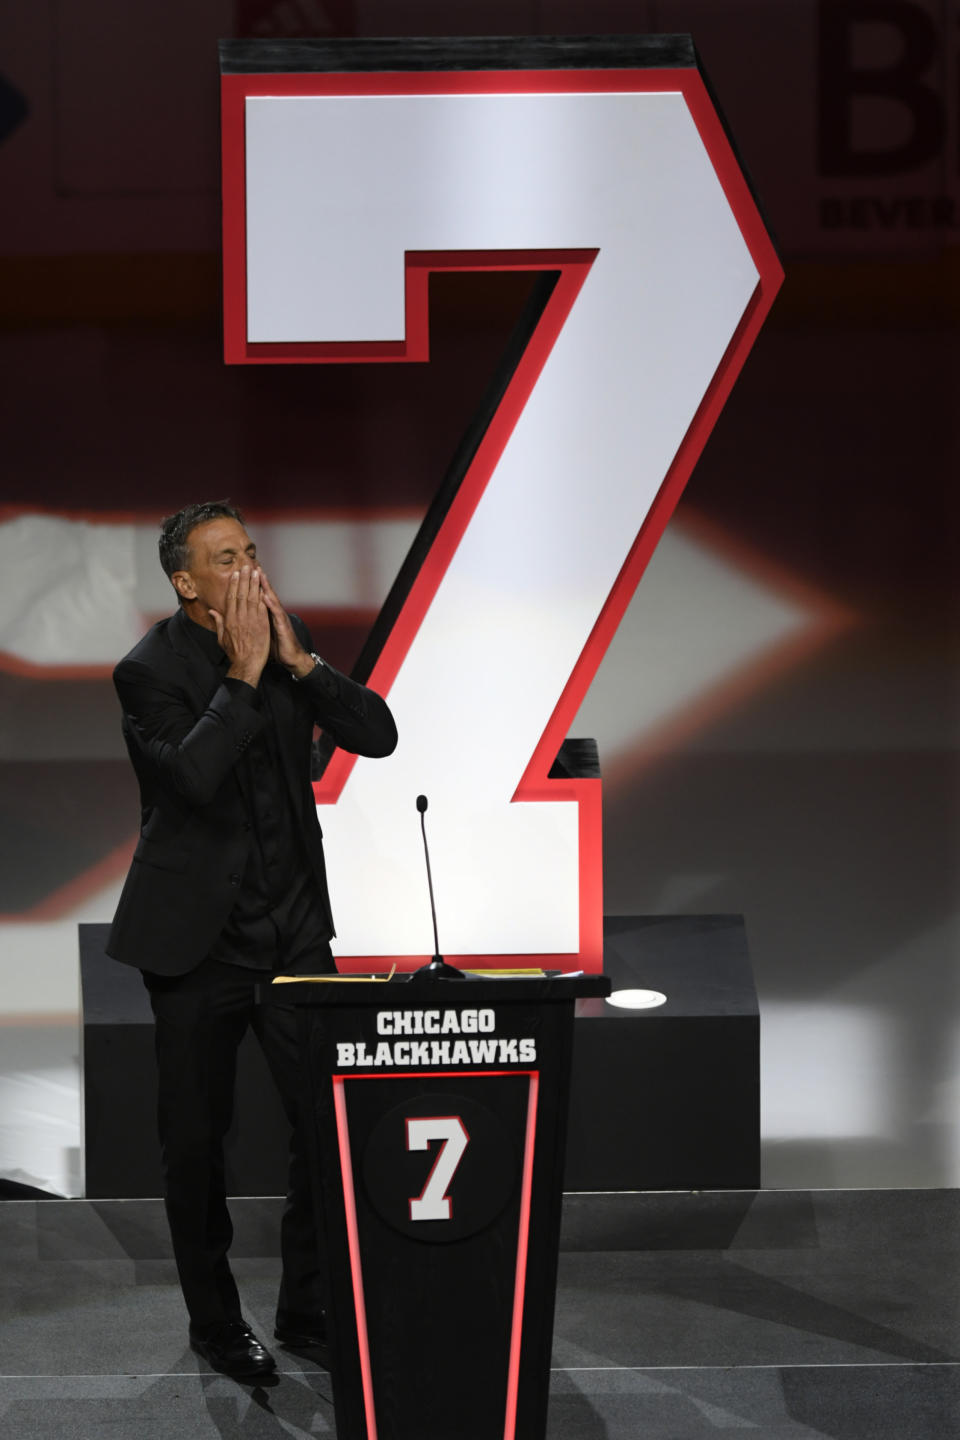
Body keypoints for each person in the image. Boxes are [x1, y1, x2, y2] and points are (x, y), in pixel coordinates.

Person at [106, 499, 397, 1378]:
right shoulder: (145, 671)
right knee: (197, 1143)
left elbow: (376, 736)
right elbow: (191, 779)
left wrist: (299, 663)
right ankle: (215, 1322)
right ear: (186, 582)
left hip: (297, 935)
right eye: (225, 558)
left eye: (251, 550)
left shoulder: (287, 636)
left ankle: (308, 1306)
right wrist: (242, 676)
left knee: (326, 1126)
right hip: (199, 946)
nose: (249, 569)